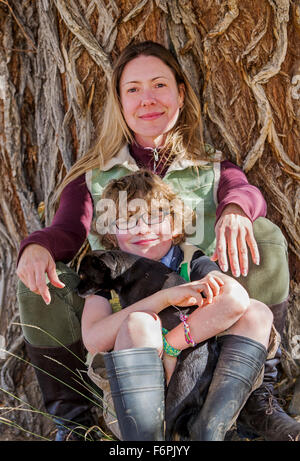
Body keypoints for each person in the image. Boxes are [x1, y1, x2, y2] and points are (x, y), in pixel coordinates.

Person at [16, 40, 299, 441]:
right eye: (133, 89)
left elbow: (245, 190)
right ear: (119, 100)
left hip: (205, 314)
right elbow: (67, 229)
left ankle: (256, 401)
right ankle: (75, 422)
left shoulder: (210, 165)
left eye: (159, 85)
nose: (147, 99)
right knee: (35, 280)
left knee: (264, 233)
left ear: (181, 93)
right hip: (127, 318)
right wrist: (37, 246)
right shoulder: (96, 175)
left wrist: (235, 209)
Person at [82, 169, 275, 441]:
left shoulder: (188, 261)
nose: (142, 228)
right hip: (133, 403)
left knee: (257, 312)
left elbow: (236, 299)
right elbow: (93, 338)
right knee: (140, 323)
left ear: (173, 225)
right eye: (127, 221)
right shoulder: (107, 270)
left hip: (199, 390)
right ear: (112, 234)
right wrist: (164, 299)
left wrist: (173, 344)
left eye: (153, 217)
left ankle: (208, 432)